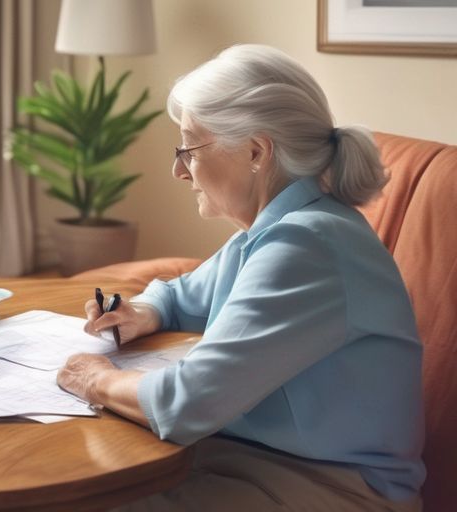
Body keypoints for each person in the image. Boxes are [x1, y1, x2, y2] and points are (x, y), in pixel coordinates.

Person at [58, 44, 424, 511]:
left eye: (188, 147)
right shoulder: (275, 232)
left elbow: (186, 404)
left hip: (332, 490)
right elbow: (178, 293)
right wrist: (141, 314)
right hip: (249, 464)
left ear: (255, 151)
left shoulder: (307, 247)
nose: (178, 170)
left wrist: (95, 379)